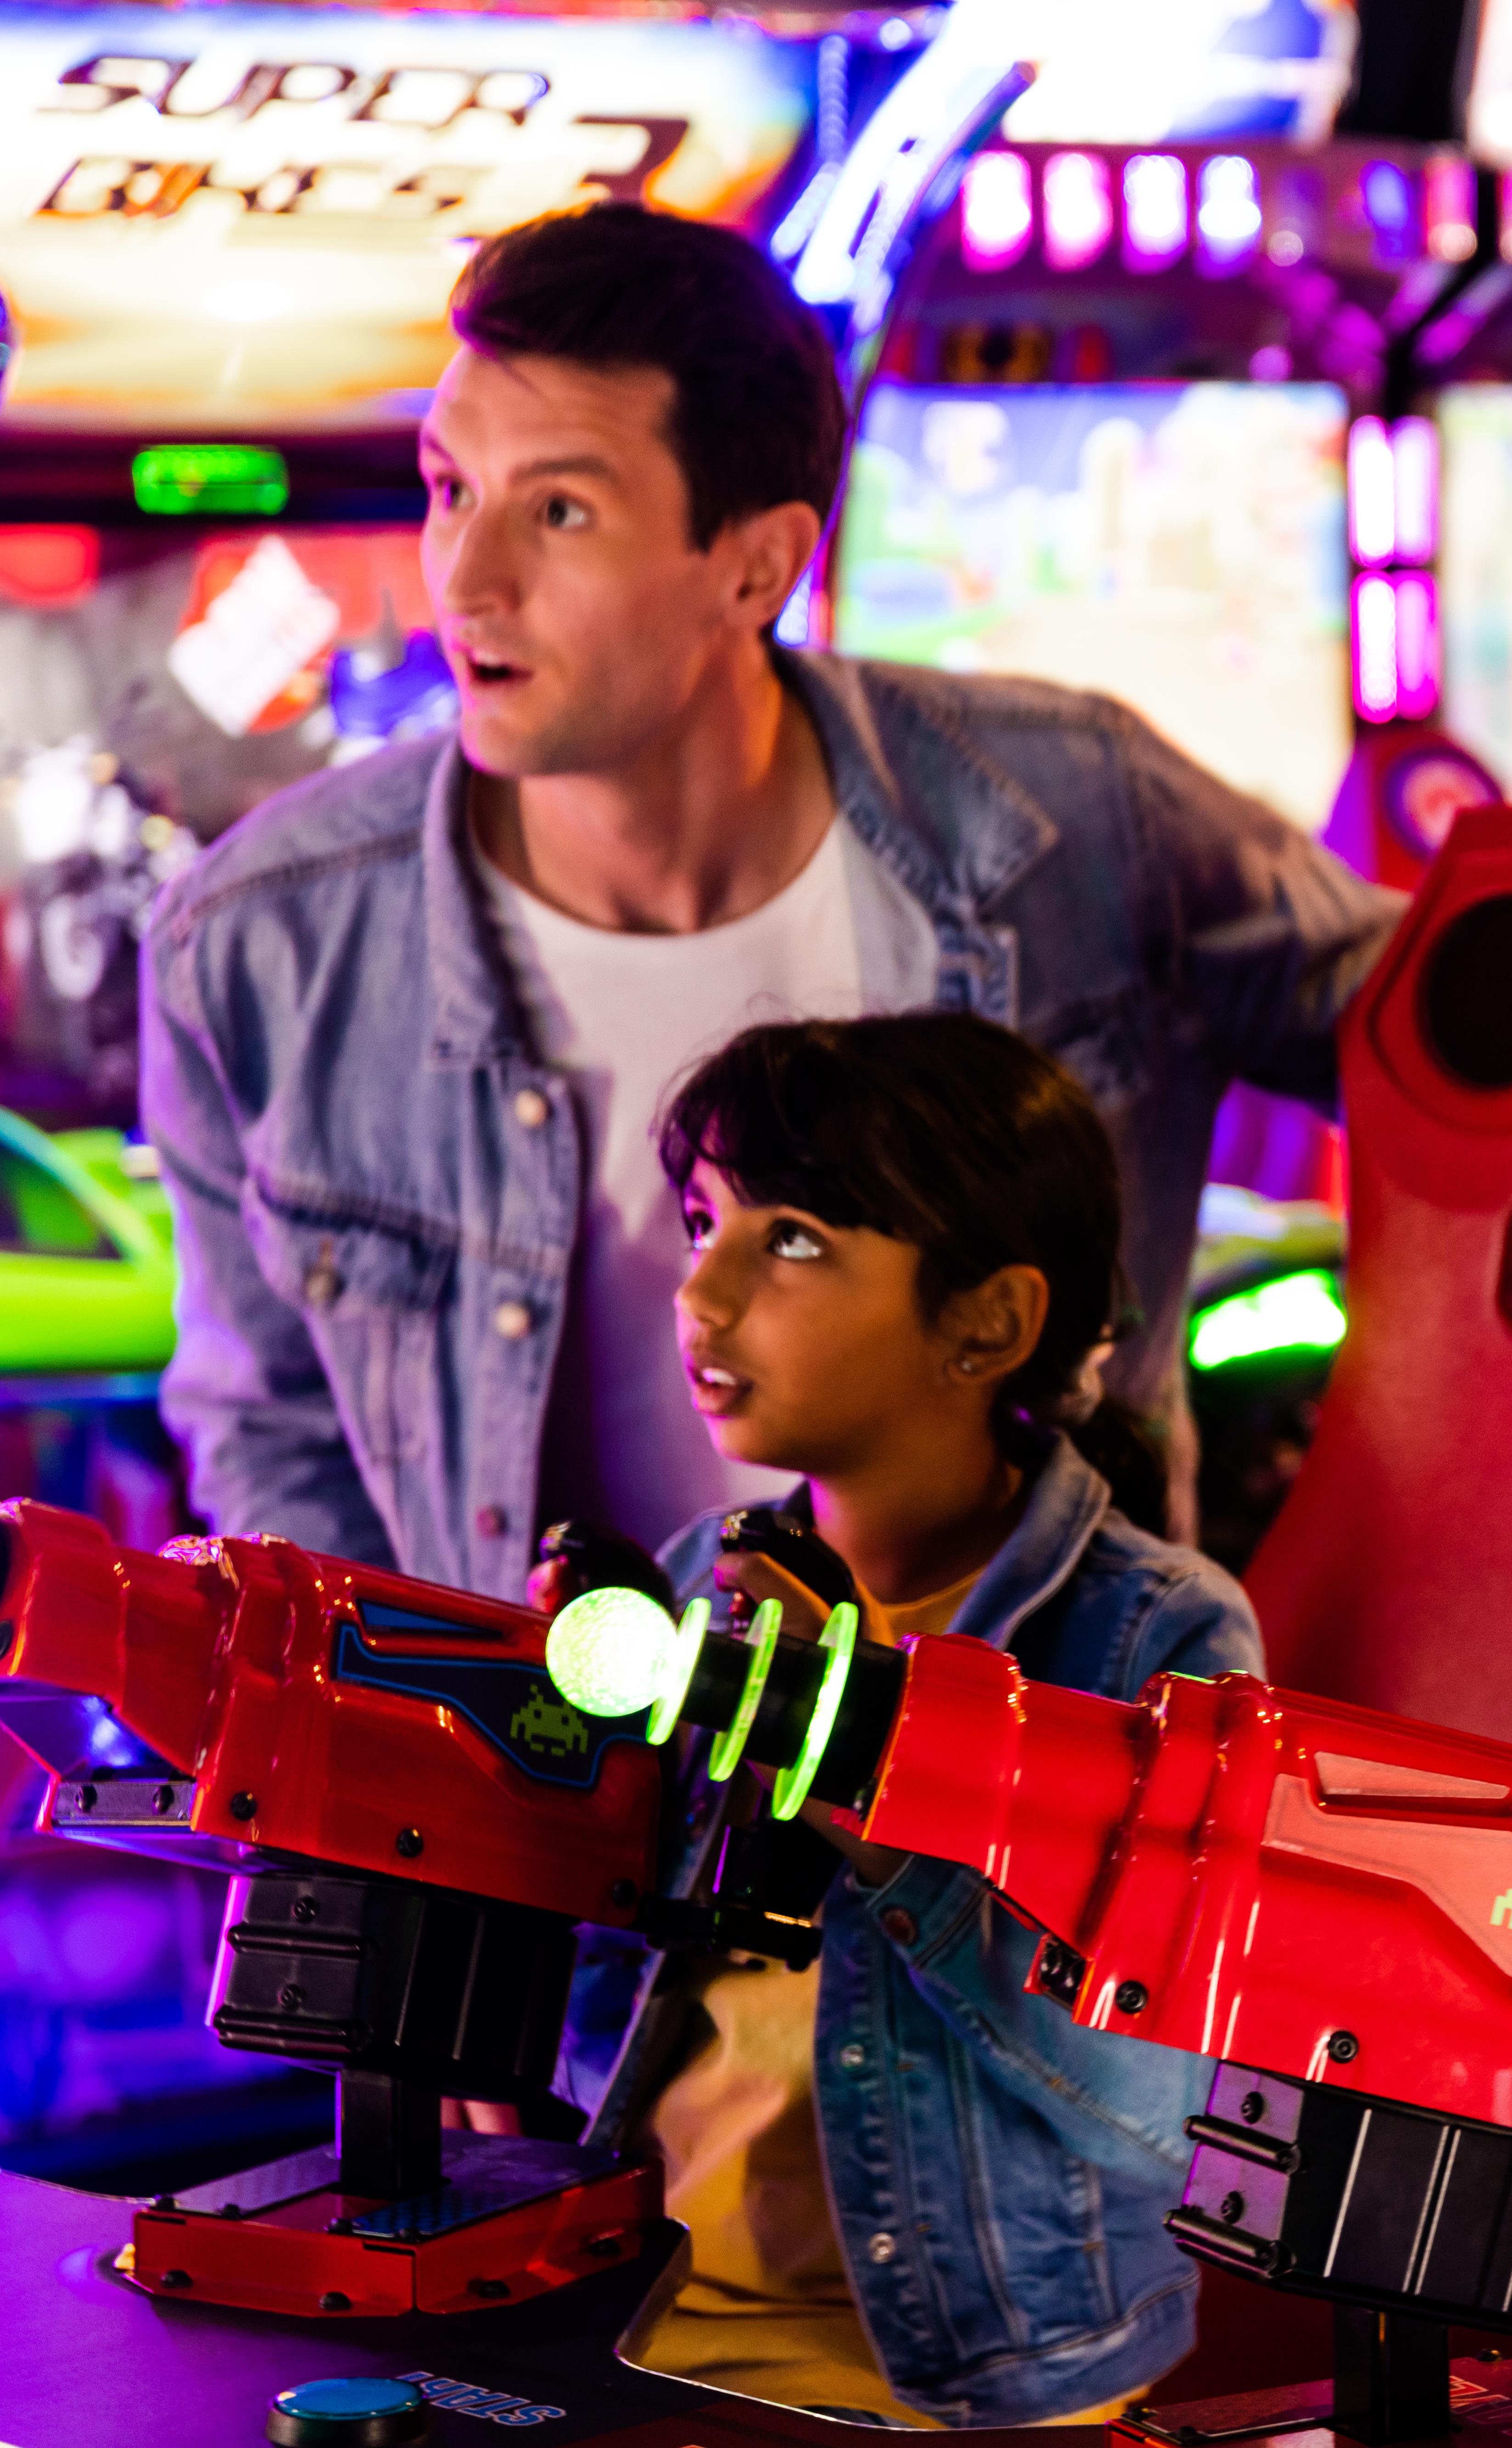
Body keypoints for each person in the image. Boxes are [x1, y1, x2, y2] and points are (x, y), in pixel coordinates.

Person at [144, 199, 1512, 1602]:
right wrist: (419, 1862)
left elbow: (1497, 1056)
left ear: (753, 561)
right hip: (568, 1866)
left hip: (1036, 1840)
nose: (461, 570)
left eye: (560, 512)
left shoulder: (1072, 815)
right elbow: (272, 1448)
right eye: (451, 485)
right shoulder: (259, 948)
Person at [560, 1011, 1259, 2428]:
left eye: (795, 1239)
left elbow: (1153, 2113)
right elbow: (611, 1988)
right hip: (628, 2325)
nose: (702, 1293)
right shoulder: (703, 1579)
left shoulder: (1152, 1638)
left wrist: (860, 1751)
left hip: (968, 2385)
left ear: (989, 1323)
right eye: (705, 1221)